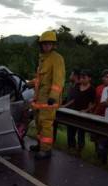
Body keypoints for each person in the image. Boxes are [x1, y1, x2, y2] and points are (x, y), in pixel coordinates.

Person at [29, 31, 65, 160]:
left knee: (46, 124)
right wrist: (29, 84)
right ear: (41, 45)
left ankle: (46, 150)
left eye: (49, 44)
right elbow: (40, 79)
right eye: (44, 44)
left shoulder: (57, 58)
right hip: (40, 98)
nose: (47, 46)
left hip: (49, 99)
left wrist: (53, 96)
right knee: (39, 122)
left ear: (53, 45)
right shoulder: (43, 58)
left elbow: (59, 79)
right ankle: (40, 145)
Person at [68, 69, 95, 153]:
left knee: (81, 132)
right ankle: (71, 147)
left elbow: (93, 104)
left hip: (83, 114)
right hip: (74, 111)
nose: (82, 79)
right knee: (71, 130)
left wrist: (86, 110)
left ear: (89, 78)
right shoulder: (77, 86)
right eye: (81, 77)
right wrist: (64, 106)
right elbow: (73, 99)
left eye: (84, 77)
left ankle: (79, 149)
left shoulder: (92, 89)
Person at [92, 69, 108, 160]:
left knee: (106, 138)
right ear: (102, 78)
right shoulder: (98, 88)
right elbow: (95, 102)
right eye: (106, 77)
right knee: (97, 137)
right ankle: (98, 155)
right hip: (98, 115)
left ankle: (104, 158)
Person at [61, 69, 80, 151]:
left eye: (71, 74)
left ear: (75, 76)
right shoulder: (71, 85)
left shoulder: (78, 86)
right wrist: (62, 103)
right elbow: (68, 98)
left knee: (73, 130)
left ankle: (74, 147)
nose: (70, 76)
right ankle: (70, 146)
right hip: (69, 110)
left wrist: (64, 106)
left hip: (75, 111)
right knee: (70, 130)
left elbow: (74, 100)